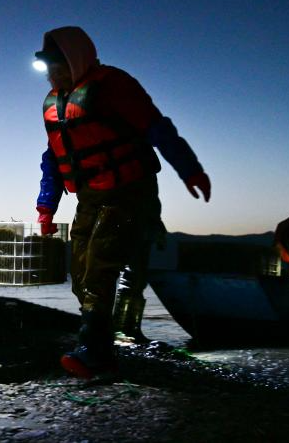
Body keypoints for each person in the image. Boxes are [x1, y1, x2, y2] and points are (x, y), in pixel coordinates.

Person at [33, 26, 211, 378]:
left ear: (75, 59)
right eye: (48, 66)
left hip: (130, 190)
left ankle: (94, 352)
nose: (52, 73)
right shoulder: (56, 104)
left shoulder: (113, 84)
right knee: (81, 272)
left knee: (101, 265)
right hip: (90, 195)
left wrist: (190, 169)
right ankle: (99, 345)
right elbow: (53, 158)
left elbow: (156, 127)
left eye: (58, 65)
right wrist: (46, 208)